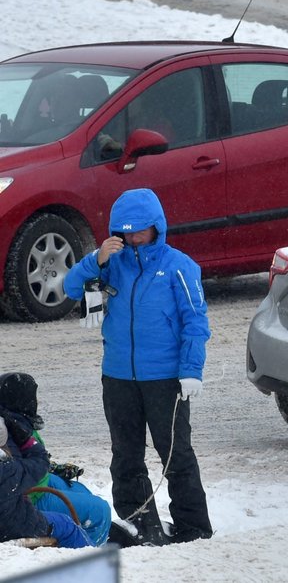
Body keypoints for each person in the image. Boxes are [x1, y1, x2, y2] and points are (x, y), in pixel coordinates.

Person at [63, 188, 213, 545]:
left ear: (156, 228)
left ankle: (194, 527)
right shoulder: (110, 262)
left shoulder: (179, 267)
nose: (132, 239)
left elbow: (196, 322)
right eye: (125, 232)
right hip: (117, 378)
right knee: (125, 455)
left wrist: (191, 370)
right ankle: (141, 523)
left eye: (140, 231)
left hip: (165, 379)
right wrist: (95, 259)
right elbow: (71, 288)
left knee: (176, 455)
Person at [0, 372, 111, 546]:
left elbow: (24, 462)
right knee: (100, 510)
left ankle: (83, 533)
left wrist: (53, 467)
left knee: (82, 491)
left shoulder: (15, 420)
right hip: (28, 495)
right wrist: (42, 462)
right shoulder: (10, 428)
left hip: (34, 479)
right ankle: (89, 548)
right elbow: (27, 465)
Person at [1, 416, 92, 547]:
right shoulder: (9, 469)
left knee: (83, 494)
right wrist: (26, 440)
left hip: (12, 516)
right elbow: (40, 462)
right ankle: (93, 557)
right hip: (14, 526)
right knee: (68, 524)